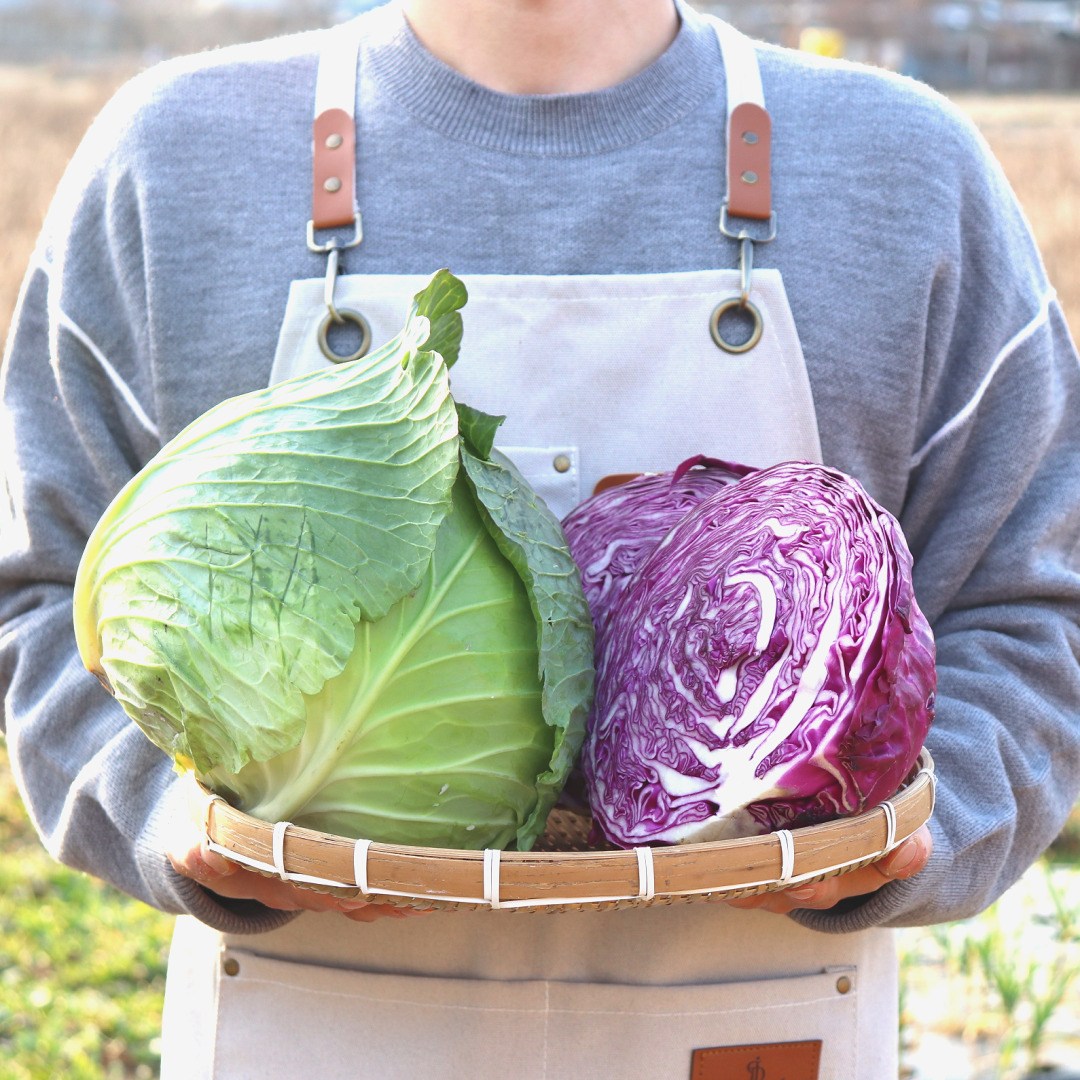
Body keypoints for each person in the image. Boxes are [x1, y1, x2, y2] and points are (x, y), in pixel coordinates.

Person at [1, 0, 1077, 1076]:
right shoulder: (172, 160)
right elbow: (37, 595)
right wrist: (165, 812)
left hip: (758, 1034)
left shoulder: (906, 172)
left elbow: (1041, 607)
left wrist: (916, 821)